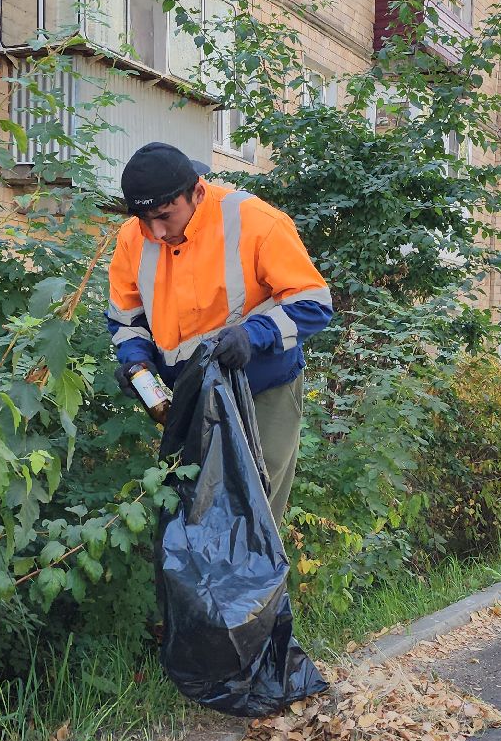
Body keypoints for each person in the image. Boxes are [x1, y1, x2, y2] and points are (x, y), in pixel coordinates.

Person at [106, 143, 334, 519]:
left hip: (262, 390)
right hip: (190, 398)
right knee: (195, 513)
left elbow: (313, 304)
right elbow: (126, 319)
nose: (157, 232)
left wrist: (253, 335)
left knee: (254, 514)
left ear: (197, 192)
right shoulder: (133, 238)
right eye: (145, 219)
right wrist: (135, 364)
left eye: (165, 216)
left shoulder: (256, 221)